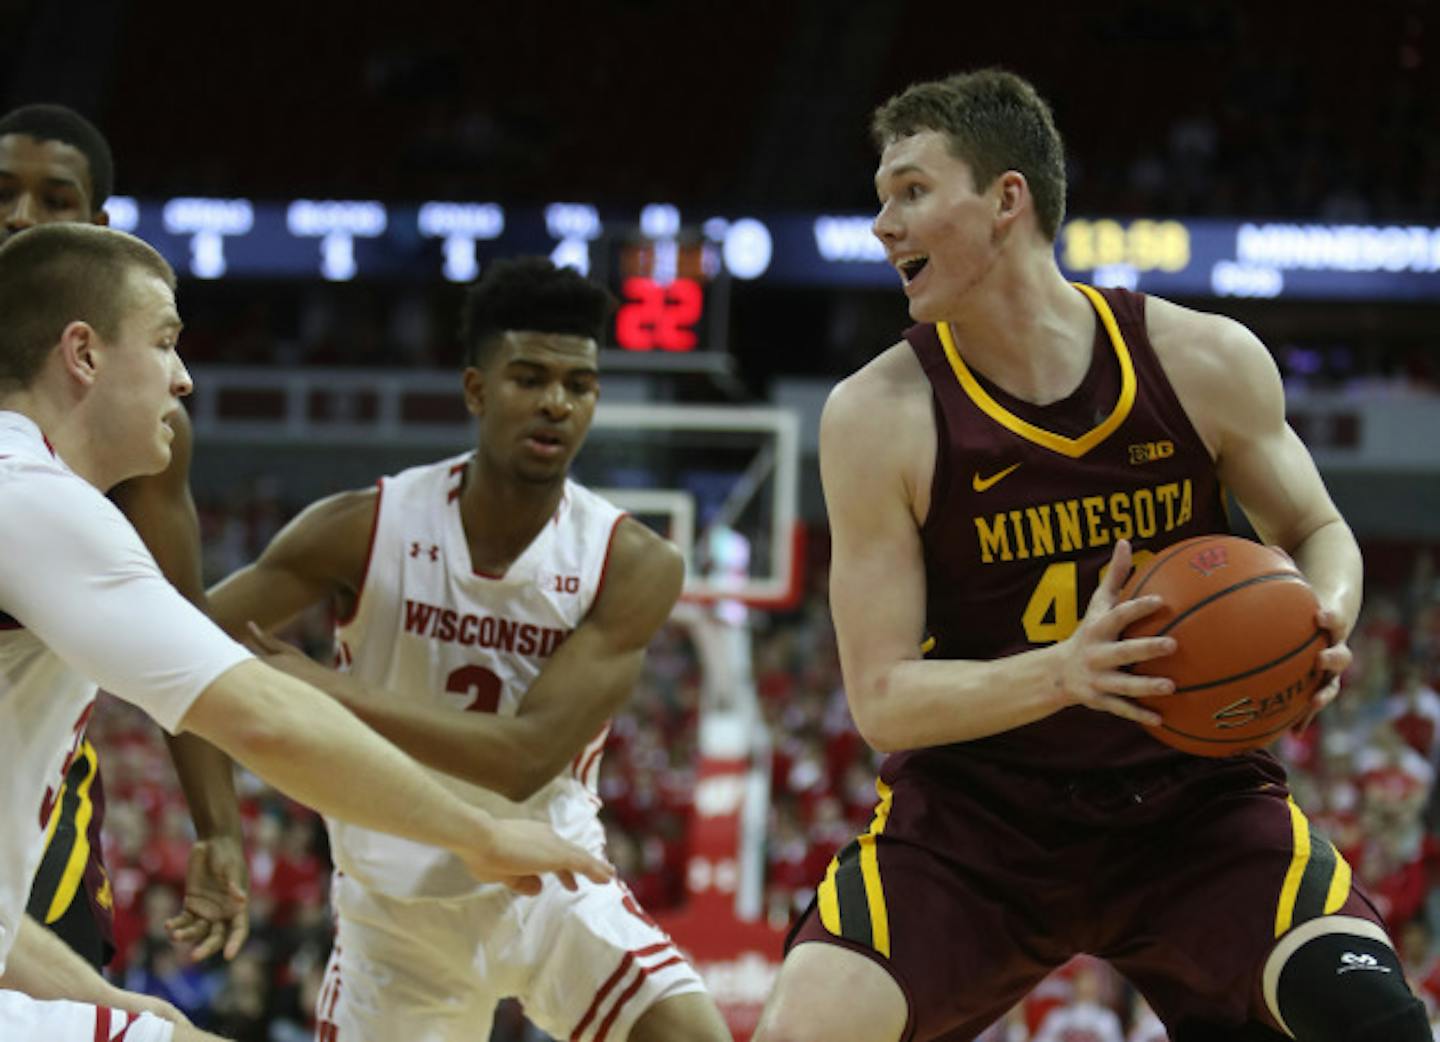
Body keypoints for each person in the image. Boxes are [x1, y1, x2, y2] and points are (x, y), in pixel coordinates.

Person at [753, 69, 1431, 1042]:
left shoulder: (1201, 359)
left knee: (1375, 1022)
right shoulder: (876, 414)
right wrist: (1066, 671)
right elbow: (882, 699)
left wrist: (1324, 613)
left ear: (1005, 200)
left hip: (1194, 807)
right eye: (879, 201)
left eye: (909, 191)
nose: (882, 227)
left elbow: (1321, 531)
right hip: (978, 821)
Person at [0, 223, 611, 1042]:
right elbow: (263, 716)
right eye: (165, 342)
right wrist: (480, 832)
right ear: (83, 353)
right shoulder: (34, 496)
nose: (182, 379)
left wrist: (108, 1002)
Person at [210, 256, 733, 1042]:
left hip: (550, 884)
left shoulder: (631, 562)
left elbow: (523, 757)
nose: (556, 403)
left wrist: (323, 690)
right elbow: (178, 648)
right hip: (396, 916)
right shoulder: (362, 527)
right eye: (528, 378)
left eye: (578, 385)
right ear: (476, 390)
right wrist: (215, 829)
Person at [0, 102, 249, 968]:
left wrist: (217, 826)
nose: (20, 216)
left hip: (31, 775)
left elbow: (179, 614)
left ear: (98, 229)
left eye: (52, 198)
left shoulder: (139, 417)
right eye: (1, 193)